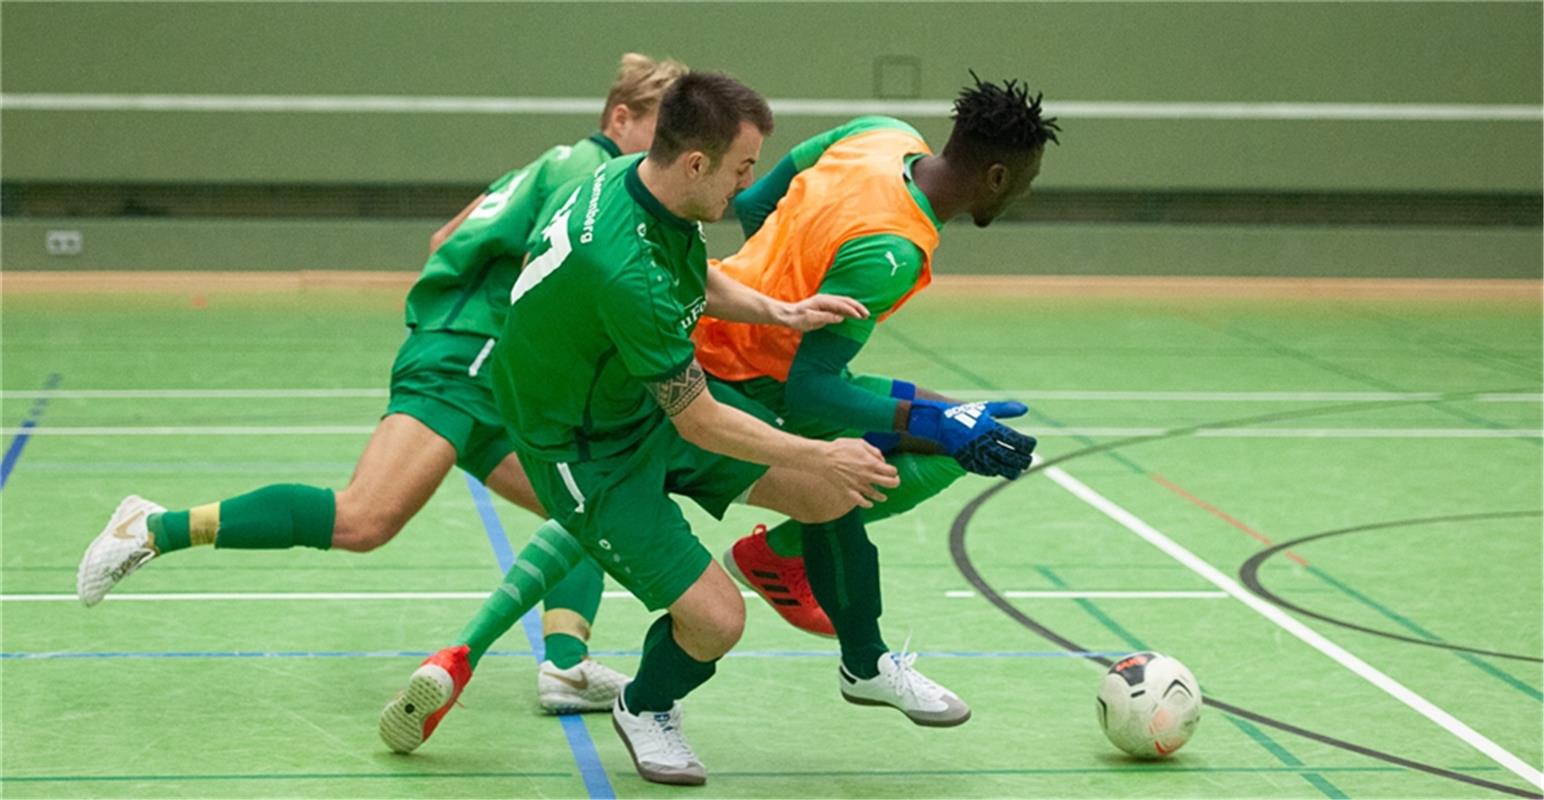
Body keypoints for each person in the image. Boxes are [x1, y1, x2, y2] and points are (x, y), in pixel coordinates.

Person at [73, 54, 688, 714]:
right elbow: (577, 278)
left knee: (587, 505)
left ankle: (565, 666)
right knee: (364, 518)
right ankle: (153, 527)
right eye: (665, 134)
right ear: (621, 118)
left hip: (493, 369)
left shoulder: (548, 165)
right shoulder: (596, 175)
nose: (674, 154)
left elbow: (442, 238)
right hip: (469, 360)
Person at [377, 72, 900, 787]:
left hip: (629, 401)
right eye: (742, 169)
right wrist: (820, 449)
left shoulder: (631, 176)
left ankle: (865, 665)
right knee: (717, 622)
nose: (747, 187)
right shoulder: (630, 277)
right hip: (584, 452)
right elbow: (702, 419)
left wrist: (779, 311)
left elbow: (694, 269)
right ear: (694, 163)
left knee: (826, 493)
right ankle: (646, 707)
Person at [696, 73, 1059, 725]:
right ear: (998, 176)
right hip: (734, 372)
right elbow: (813, 387)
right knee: (860, 466)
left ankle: (778, 558)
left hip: (737, 324)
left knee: (963, 432)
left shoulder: (878, 133)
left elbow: (753, 205)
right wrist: (932, 420)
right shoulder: (891, 250)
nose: (1027, 194)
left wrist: (771, 279)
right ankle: (858, 654)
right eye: (1027, 182)